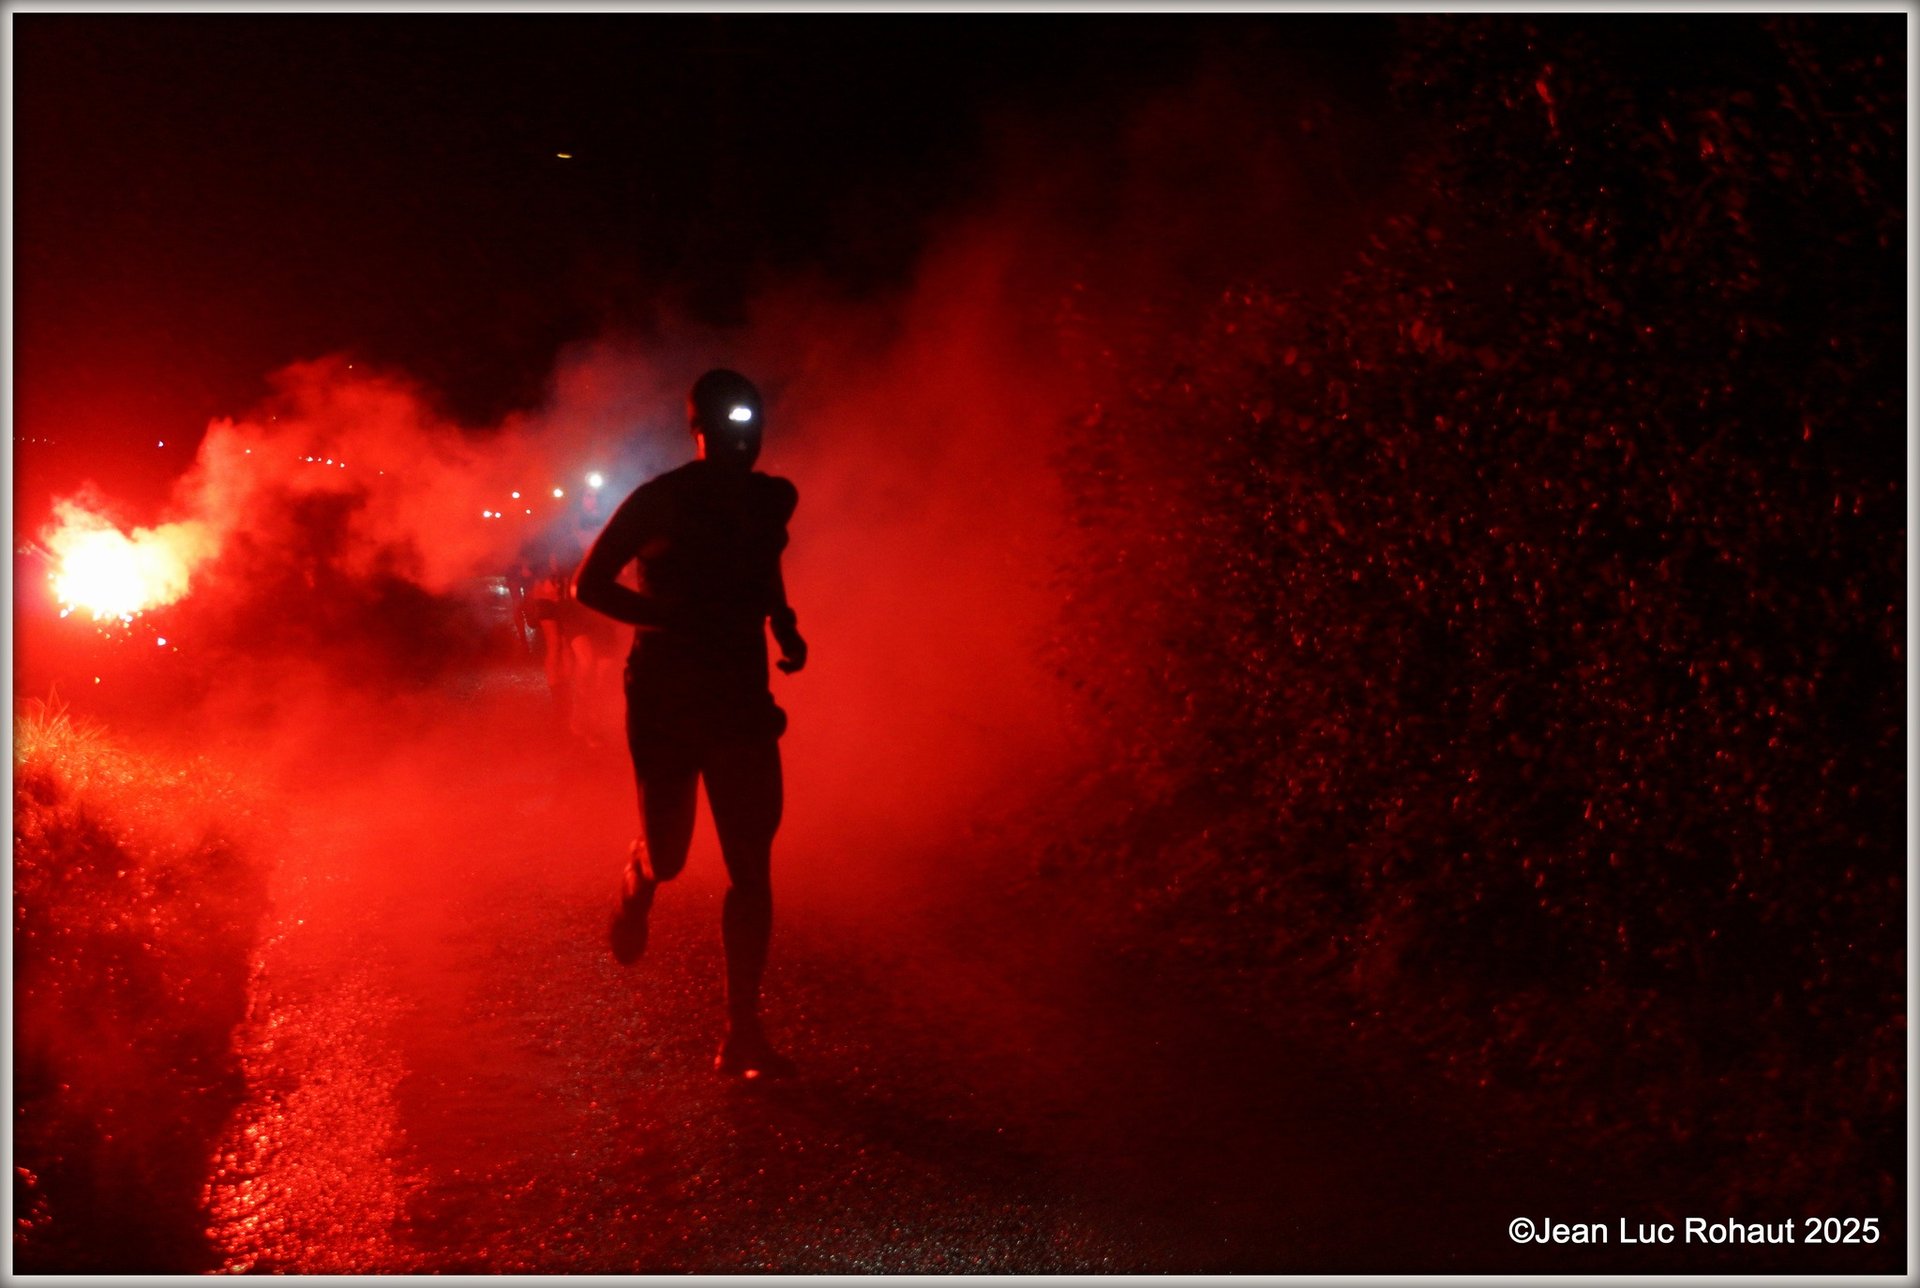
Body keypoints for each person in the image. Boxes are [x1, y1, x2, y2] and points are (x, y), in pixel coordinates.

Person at [573, 368, 807, 1079]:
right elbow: (590, 583)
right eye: (731, 426)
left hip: (740, 699)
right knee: (671, 856)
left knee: (751, 867)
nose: (746, 438)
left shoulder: (772, 500)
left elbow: (763, 569)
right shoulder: (659, 501)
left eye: (754, 424)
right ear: (699, 428)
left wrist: (784, 624)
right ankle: (639, 879)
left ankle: (742, 1031)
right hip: (667, 701)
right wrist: (668, 619)